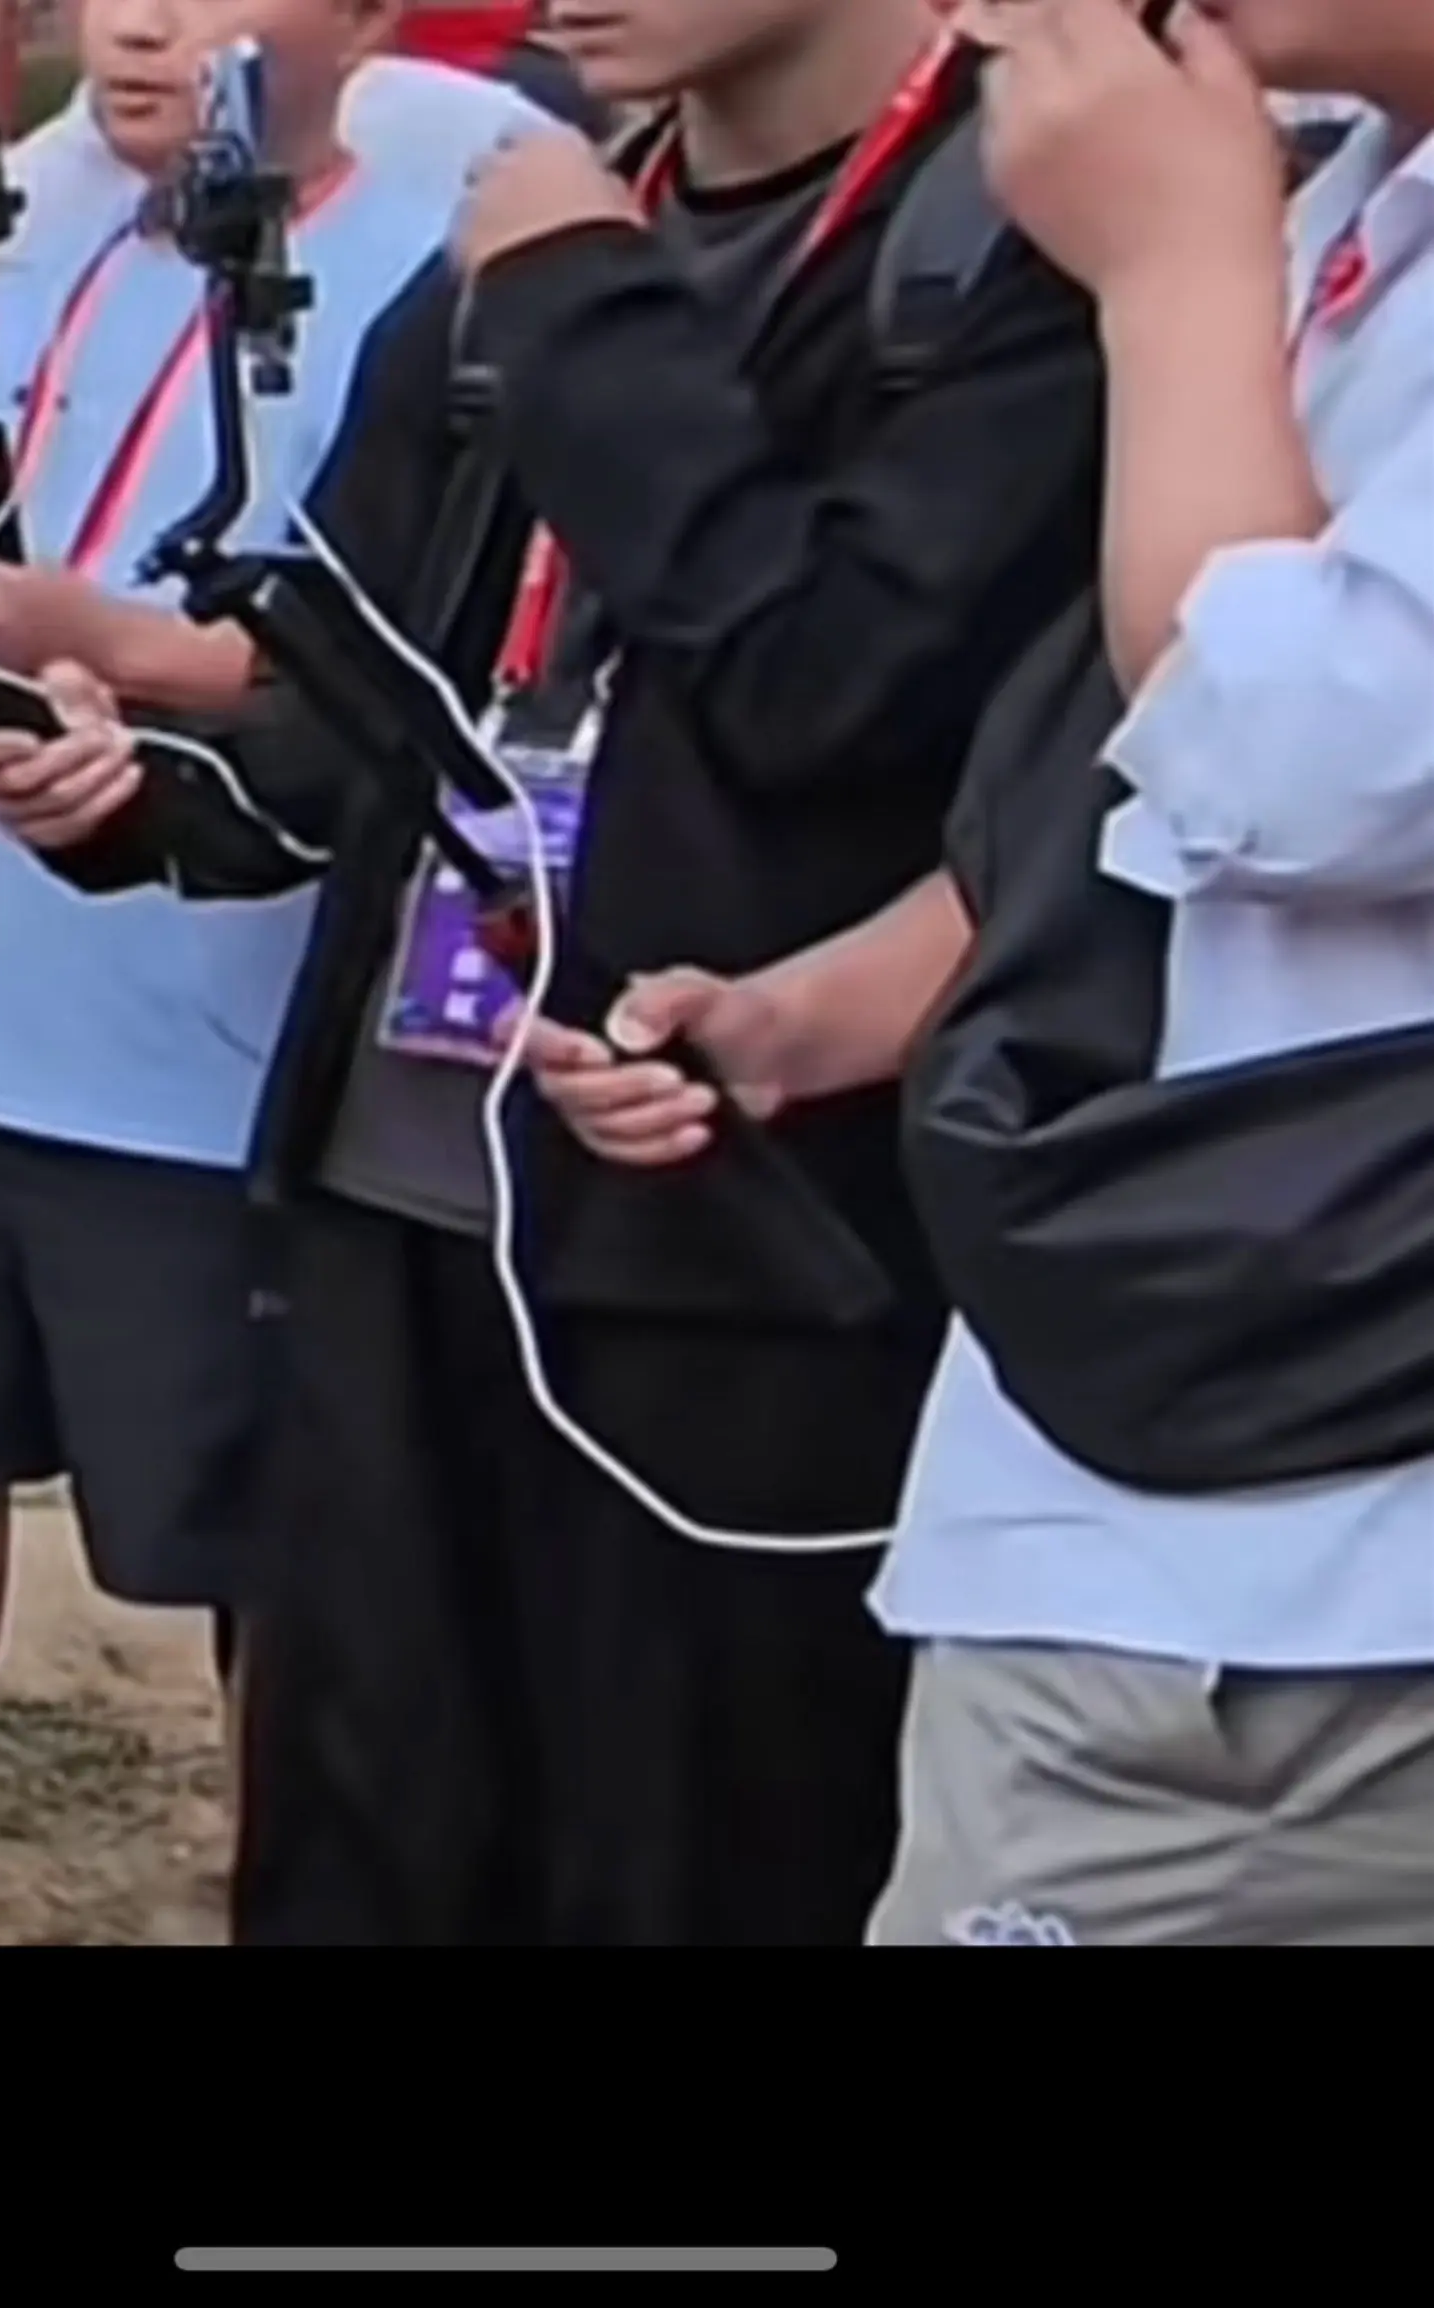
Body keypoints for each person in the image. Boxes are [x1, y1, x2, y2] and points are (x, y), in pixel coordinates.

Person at [0, 0, 1104, 1944]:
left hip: (740, 1265)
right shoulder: (552, 220)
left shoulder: (1026, 236)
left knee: (683, 1857)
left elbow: (827, 691)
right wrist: (131, 797)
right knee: (352, 1840)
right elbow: (359, 695)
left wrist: (580, 304)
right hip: (396, 1203)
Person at [0, 0, 534, 1949]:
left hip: (221, 1041)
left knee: (268, 1534)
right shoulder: (22, 206)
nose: (139, 24)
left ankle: (298, 1894)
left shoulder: (459, 232)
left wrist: (109, 652)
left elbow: (414, 654)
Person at [582, 0, 1434, 1947]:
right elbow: (1128, 776)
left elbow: (1288, 756)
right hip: (1180, 1492)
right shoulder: (1349, 207)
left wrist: (1169, 276)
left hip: (1299, 1561)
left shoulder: (1216, 230)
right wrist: (825, 1009)